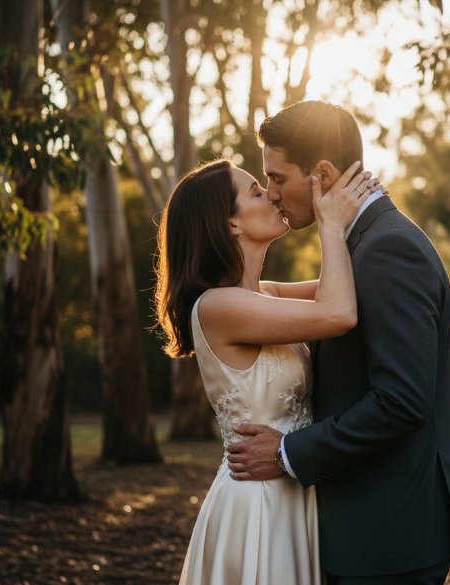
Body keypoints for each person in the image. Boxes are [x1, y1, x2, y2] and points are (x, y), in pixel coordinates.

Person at [227, 100, 450, 585]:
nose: (272, 194)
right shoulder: (357, 244)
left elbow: (402, 401)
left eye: (277, 178)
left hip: (387, 536)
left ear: (321, 173)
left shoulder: (387, 249)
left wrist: (287, 452)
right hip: (363, 528)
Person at [156, 157, 381, 584]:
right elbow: (338, 313)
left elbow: (361, 283)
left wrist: (360, 211)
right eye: (257, 192)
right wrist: (328, 225)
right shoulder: (218, 307)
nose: (272, 194)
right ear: (231, 225)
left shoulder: (265, 294)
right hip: (257, 503)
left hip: (294, 489)